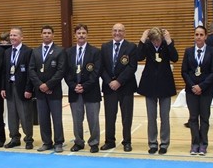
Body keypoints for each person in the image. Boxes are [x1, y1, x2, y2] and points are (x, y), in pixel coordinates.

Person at [137, 27, 178, 155]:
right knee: (151, 117)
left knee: (165, 117)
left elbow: (175, 58)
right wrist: (142, 39)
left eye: (158, 40)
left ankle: (164, 143)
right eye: (154, 40)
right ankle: (153, 143)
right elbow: (138, 57)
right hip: (150, 85)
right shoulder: (147, 44)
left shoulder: (167, 43)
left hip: (165, 84)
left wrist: (169, 41)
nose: (156, 43)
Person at [28, 25, 66, 153]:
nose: (46, 35)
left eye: (49, 33)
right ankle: (47, 142)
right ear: (41, 35)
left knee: (57, 118)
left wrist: (48, 85)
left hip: (54, 91)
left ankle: (59, 142)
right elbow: (31, 70)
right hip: (40, 92)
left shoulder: (59, 51)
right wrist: (40, 85)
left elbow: (61, 71)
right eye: (44, 33)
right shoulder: (35, 51)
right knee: (43, 119)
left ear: (53, 35)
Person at [100, 23, 137, 152]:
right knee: (110, 116)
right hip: (109, 87)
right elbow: (101, 67)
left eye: (120, 31)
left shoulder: (131, 47)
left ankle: (127, 141)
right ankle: (109, 141)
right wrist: (110, 81)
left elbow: (132, 67)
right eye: (115, 30)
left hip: (126, 87)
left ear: (124, 33)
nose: (117, 33)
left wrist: (119, 81)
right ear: (112, 32)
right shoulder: (105, 47)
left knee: (127, 116)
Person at [181, 26, 213, 155]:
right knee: (193, 118)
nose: (199, 37)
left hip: (206, 90)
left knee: (204, 118)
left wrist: (201, 86)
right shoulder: (188, 51)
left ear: (206, 36)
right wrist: (193, 86)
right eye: (197, 34)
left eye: (201, 35)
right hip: (191, 91)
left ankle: (203, 144)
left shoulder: (212, 51)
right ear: (194, 36)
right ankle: (195, 143)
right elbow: (184, 71)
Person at [65, 24, 102, 153]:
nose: (81, 35)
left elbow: (96, 72)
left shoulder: (95, 52)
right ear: (75, 35)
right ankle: (79, 142)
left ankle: (94, 142)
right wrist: (73, 85)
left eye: (83, 33)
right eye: (79, 33)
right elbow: (66, 72)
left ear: (87, 35)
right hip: (74, 91)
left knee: (93, 119)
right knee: (77, 120)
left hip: (91, 91)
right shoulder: (68, 52)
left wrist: (84, 86)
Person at [1, 27, 34, 150]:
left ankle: (28, 139)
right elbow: (4, 71)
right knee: (12, 115)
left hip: (22, 88)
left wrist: (29, 89)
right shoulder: (7, 52)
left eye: (15, 35)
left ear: (21, 37)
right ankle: (14, 138)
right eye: (11, 35)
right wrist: (3, 87)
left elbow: (31, 72)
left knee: (25, 115)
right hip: (10, 87)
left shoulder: (28, 51)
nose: (12, 37)